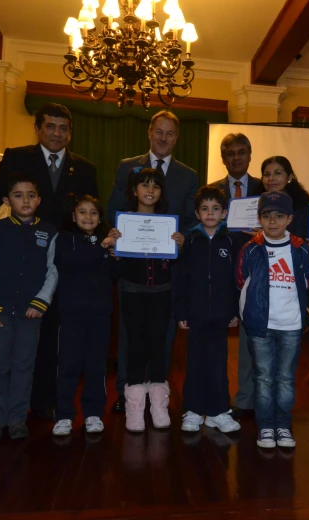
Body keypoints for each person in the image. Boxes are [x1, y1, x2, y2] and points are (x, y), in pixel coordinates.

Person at [0, 102, 98, 421]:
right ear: (38, 129)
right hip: (24, 264)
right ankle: (8, 410)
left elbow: (94, 216)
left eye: (63, 128)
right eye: (50, 126)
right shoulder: (17, 158)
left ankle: (45, 402)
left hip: (67, 267)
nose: (57, 133)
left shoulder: (85, 168)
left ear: (70, 132)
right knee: (17, 343)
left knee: (55, 337)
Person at [107, 110, 198, 413]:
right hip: (131, 269)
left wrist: (181, 241)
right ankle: (127, 393)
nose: (163, 138)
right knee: (129, 334)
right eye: (158, 131)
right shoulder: (126, 167)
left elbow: (188, 219)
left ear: (177, 138)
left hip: (165, 270)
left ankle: (157, 393)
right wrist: (118, 237)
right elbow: (114, 211)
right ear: (149, 132)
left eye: (169, 133)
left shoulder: (189, 175)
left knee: (162, 335)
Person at [0, 173, 58, 443]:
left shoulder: (49, 231)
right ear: (6, 200)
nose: (25, 200)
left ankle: (17, 419)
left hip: (30, 312)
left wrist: (40, 302)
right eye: (18, 195)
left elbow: (53, 271)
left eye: (31, 195)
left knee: (24, 365)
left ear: (39, 199)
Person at [236, 191, 309, 449]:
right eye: (267, 216)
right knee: (263, 377)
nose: (273, 221)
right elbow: (241, 280)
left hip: (291, 325)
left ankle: (283, 425)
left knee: (285, 378)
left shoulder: (300, 248)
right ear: (259, 219)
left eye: (279, 216)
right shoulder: (251, 249)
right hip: (260, 325)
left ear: (289, 218)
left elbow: (308, 279)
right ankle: (266, 427)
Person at [109, 167, 185, 432]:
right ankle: (135, 407)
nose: (150, 189)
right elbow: (115, 266)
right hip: (131, 291)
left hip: (161, 292)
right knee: (135, 346)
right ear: (134, 190)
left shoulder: (168, 225)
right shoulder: (123, 224)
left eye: (155, 185)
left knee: (158, 345)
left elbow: (176, 261)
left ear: (161, 192)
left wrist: (179, 245)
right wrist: (114, 249)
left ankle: (159, 404)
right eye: (144, 184)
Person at [174, 185, 242, 434]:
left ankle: (218, 411)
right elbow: (181, 278)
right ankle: (193, 410)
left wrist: (234, 310)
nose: (210, 213)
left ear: (224, 213)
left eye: (215, 209)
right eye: (205, 209)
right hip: (196, 315)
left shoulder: (231, 241)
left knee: (217, 364)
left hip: (221, 316)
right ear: (197, 213)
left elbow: (237, 279)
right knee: (195, 364)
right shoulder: (191, 241)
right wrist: (181, 311)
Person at [52, 195, 121, 436]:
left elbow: (114, 275)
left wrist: (115, 256)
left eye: (93, 212)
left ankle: (93, 414)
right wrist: (101, 248)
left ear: (100, 217)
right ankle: (63, 415)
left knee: (96, 366)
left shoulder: (105, 243)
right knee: (68, 366)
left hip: (100, 314)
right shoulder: (64, 239)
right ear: (73, 216)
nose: (88, 217)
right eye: (83, 212)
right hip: (71, 314)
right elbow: (71, 263)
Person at [209, 133, 263, 420]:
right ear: (223, 158)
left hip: (257, 272)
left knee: (251, 337)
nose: (237, 158)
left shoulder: (264, 187)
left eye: (242, 152)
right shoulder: (212, 191)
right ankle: (216, 397)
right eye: (230, 153)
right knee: (218, 338)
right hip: (221, 272)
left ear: (250, 154)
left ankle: (249, 398)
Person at [259, 156, 309, 240]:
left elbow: (306, 241)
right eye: (267, 174)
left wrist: (268, 235)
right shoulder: (255, 203)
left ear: (289, 177)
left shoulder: (302, 206)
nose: (271, 178)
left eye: (278, 173)